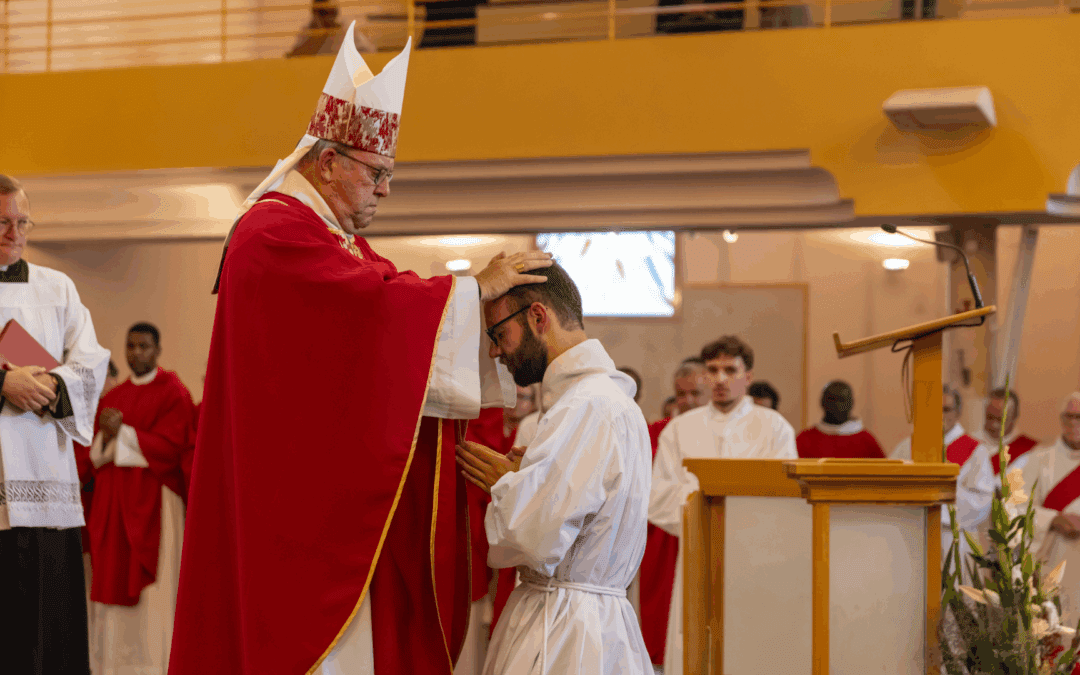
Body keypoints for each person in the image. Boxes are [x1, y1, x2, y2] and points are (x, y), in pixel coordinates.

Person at [169, 25, 553, 675]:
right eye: (377, 173)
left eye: (388, 175)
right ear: (328, 162)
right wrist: (469, 289)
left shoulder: (330, 239)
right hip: (290, 511)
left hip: (308, 497)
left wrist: (469, 304)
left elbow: (386, 302)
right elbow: (376, 311)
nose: (384, 190)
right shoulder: (273, 231)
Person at [455, 264, 652, 675]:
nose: (495, 351)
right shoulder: (599, 399)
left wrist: (508, 486)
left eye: (497, 335)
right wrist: (530, 479)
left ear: (538, 317)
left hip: (566, 630)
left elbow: (535, 541)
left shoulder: (588, 405)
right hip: (583, 618)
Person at [0, 174, 111, 675]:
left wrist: (51, 388)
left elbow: (90, 359)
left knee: (50, 626)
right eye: (3, 222)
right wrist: (3, 386)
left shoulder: (57, 286)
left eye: (22, 221)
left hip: (47, 483)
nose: (15, 233)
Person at [649, 335, 797, 675]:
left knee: (753, 649)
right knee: (694, 648)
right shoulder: (679, 430)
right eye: (712, 370)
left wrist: (716, 498)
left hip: (757, 558)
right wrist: (710, 502)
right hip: (697, 556)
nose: (719, 379)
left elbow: (787, 497)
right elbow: (657, 497)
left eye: (730, 370)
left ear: (748, 376)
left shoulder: (774, 428)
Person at [85, 322, 195, 675]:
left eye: (144, 346)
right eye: (130, 347)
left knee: (157, 595)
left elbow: (173, 446)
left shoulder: (173, 392)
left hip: (155, 504)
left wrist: (124, 432)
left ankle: (156, 666)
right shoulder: (112, 399)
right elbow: (95, 456)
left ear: (158, 349)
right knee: (113, 577)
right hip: (115, 505)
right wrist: (107, 434)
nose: (136, 353)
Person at [456, 385, 537, 675]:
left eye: (523, 398)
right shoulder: (478, 429)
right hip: (477, 535)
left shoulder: (535, 427)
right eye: (510, 399)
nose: (515, 406)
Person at [637, 356, 710, 667]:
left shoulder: (716, 431)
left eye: (694, 394)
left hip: (709, 533)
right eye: (681, 394)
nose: (687, 401)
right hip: (663, 537)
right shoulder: (658, 431)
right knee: (662, 613)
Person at [1020, 392, 1080, 625]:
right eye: (1069, 417)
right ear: (1061, 419)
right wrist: (1053, 520)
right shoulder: (1039, 460)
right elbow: (1015, 509)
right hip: (1051, 562)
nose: (1074, 423)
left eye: (1079, 417)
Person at [796, 380, 885, 459]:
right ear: (822, 402)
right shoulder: (804, 441)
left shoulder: (868, 443)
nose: (837, 405)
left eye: (842, 400)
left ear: (851, 403)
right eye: (831, 399)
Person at [974, 388, 1040, 476]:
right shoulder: (969, 442)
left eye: (1000, 420)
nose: (994, 424)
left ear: (1014, 417)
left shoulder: (1031, 452)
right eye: (990, 417)